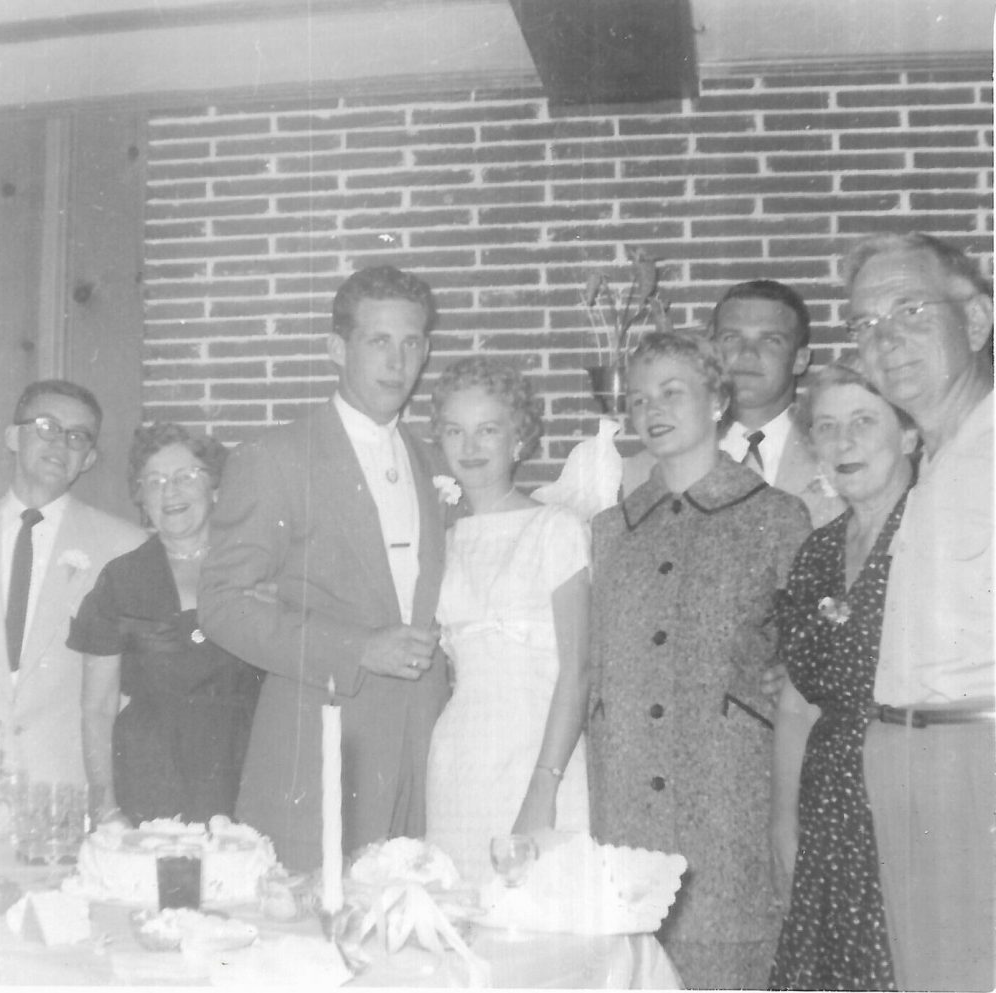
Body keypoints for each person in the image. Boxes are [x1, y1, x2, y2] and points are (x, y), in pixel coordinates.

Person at [197, 265, 448, 871]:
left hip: (429, 750)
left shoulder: (435, 460)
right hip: (322, 749)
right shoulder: (277, 457)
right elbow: (222, 603)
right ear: (337, 348)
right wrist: (357, 648)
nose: (398, 361)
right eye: (378, 341)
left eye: (412, 342)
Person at [588, 330, 810, 990]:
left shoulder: (777, 516)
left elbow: (804, 663)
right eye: (637, 398)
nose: (651, 409)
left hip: (729, 805)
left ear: (717, 399)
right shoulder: (610, 530)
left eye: (672, 391)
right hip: (627, 811)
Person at [845, 232, 994, 992]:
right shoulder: (933, 459)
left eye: (909, 309)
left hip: (978, 756)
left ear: (974, 322)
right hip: (910, 757)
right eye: (865, 324)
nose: (885, 337)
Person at [768, 359, 918, 990]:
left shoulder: (937, 530)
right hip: (830, 806)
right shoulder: (819, 549)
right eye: (826, 428)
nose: (844, 442)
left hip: (915, 794)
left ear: (909, 433)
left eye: (863, 420)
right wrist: (783, 818)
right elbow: (798, 703)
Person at [425, 356, 590, 885]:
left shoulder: (555, 529)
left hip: (541, 760)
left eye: (488, 430)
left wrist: (544, 787)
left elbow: (579, 670)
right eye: (456, 430)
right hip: (459, 764)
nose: (470, 447)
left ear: (518, 438)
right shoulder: (444, 542)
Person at [67, 423, 263, 826]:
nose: (169, 491)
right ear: (141, 498)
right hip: (150, 775)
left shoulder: (254, 568)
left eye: (185, 477)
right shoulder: (121, 580)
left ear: (215, 487)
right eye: (153, 481)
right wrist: (105, 805)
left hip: (246, 765)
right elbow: (97, 708)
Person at [0, 380, 145, 786]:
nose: (60, 443)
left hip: (65, 786)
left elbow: (136, 684)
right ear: (11, 436)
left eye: (77, 436)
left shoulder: (124, 548)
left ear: (89, 458)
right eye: (46, 426)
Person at [622, 280, 845, 528]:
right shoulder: (642, 471)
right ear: (711, 351)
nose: (747, 353)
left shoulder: (836, 456)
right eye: (731, 338)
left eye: (770, 340)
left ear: (800, 360)